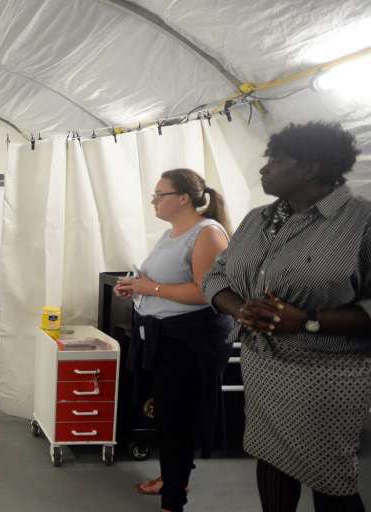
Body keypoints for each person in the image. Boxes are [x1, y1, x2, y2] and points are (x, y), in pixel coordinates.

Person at [204, 122, 370, 512]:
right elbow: (217, 275)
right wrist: (239, 308)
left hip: (327, 373)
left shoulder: (360, 222)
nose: (264, 169)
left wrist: (308, 319)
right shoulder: (257, 219)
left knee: (331, 477)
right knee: (271, 457)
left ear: (312, 168)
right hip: (262, 363)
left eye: (276, 160)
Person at [115, 169, 232, 512]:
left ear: (183, 198)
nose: (154, 200)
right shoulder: (171, 234)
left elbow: (206, 292)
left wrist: (148, 289)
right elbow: (161, 281)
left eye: (159, 194)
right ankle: (172, 477)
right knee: (167, 416)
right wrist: (135, 287)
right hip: (163, 337)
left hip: (191, 341)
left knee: (177, 420)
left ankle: (173, 501)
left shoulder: (208, 234)